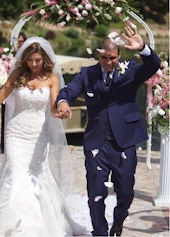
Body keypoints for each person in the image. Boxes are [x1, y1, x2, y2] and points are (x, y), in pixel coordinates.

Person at [56, 26, 160, 236]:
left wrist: (143, 49)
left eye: (112, 58)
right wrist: (63, 102)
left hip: (125, 140)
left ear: (119, 55)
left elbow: (153, 66)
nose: (109, 62)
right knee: (96, 191)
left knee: (126, 191)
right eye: (104, 58)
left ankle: (119, 219)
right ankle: (100, 232)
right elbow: (69, 90)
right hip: (97, 142)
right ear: (98, 54)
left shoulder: (130, 69)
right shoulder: (87, 73)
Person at [0, 36, 86, 236]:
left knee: (35, 174)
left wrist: (63, 110)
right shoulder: (17, 75)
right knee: (16, 174)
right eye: (30, 60)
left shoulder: (52, 78)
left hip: (38, 133)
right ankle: (10, 225)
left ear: (44, 59)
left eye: (37, 60)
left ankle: (37, 224)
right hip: (15, 132)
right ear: (25, 59)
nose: (34, 64)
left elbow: (53, 110)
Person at [0, 31, 27, 153]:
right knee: (6, 116)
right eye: (18, 42)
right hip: (8, 90)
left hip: (23, 92)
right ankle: (5, 145)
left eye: (22, 41)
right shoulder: (8, 57)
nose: (20, 44)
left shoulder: (28, 58)